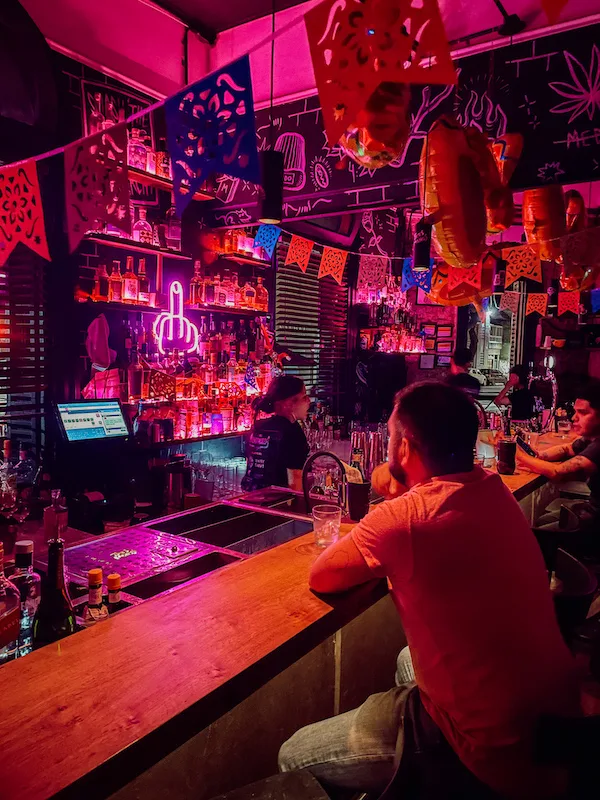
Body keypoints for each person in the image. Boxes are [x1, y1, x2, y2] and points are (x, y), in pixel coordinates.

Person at [279, 382, 579, 799]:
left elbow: (322, 575)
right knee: (407, 660)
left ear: (403, 449)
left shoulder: (406, 520)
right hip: (560, 731)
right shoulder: (494, 490)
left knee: (293, 756)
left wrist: (397, 495)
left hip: (490, 753)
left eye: (389, 436)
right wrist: (404, 486)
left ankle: (427, 766)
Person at [516, 381, 600, 529]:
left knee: (533, 534)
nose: (574, 418)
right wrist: (540, 455)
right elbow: (567, 449)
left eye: (583, 413)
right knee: (540, 522)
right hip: (591, 508)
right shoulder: (591, 438)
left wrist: (519, 455)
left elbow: (558, 473)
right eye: (575, 412)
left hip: (596, 523)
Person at [241, 375, 310, 493]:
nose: (308, 401)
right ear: (288, 403)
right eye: (304, 397)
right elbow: (295, 484)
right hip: (277, 502)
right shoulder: (292, 432)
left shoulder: (259, 426)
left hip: (251, 496)